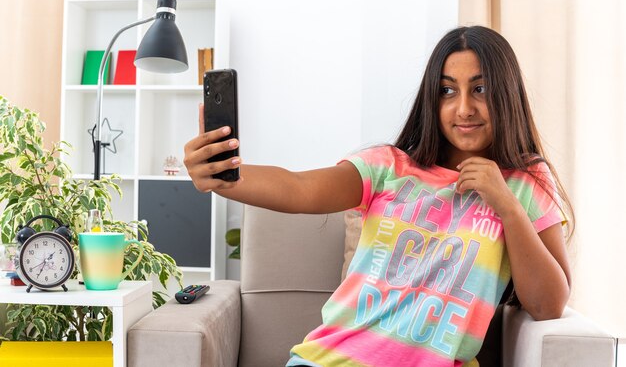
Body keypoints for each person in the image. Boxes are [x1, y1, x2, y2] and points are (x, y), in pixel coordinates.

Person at [183, 25, 573, 367]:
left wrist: (507, 206)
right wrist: (224, 177)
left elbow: (548, 305)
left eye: (481, 89)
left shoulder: (525, 182)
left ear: (506, 93)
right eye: (447, 91)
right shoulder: (387, 165)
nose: (464, 108)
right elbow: (299, 188)